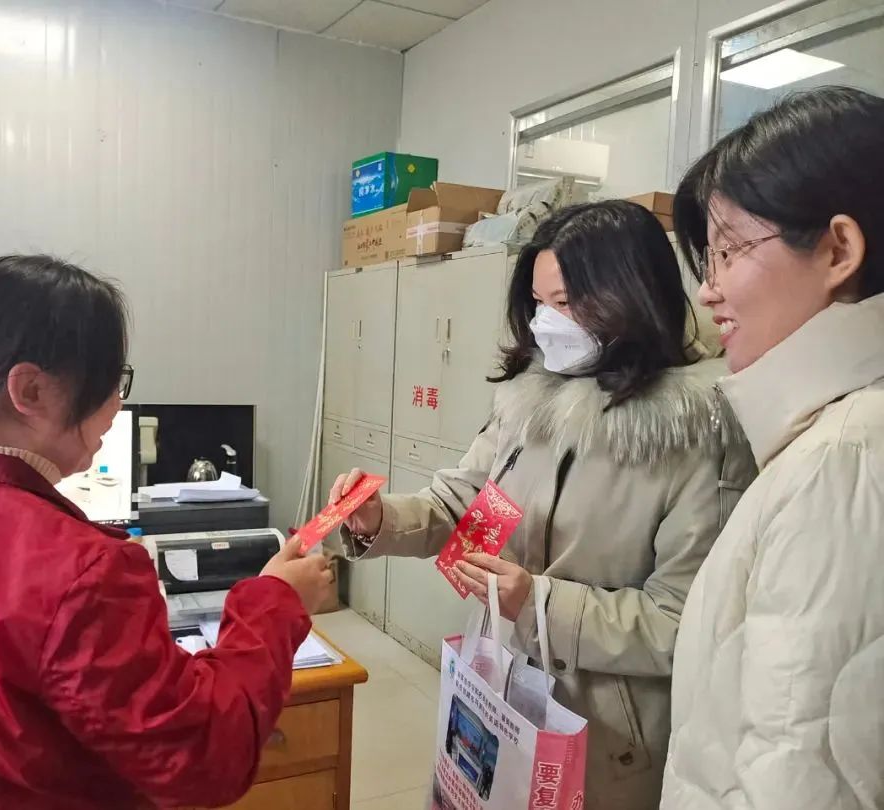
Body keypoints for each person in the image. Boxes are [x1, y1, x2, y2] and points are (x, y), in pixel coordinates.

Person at [0, 255, 334, 809]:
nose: (118, 402)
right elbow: (203, 757)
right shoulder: (79, 571)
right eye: (112, 381)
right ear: (31, 390)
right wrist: (275, 604)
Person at [330, 200, 757, 810]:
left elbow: (682, 622)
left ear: (630, 296)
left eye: (565, 302)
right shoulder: (529, 398)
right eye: (537, 302)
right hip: (500, 693)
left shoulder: (695, 436)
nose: (545, 323)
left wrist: (539, 605)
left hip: (605, 736)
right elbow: (469, 504)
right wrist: (380, 518)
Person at [661, 87, 884, 810]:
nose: (709, 292)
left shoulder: (841, 461)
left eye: (729, 252)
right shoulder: (831, 437)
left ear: (839, 250)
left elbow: (796, 773)